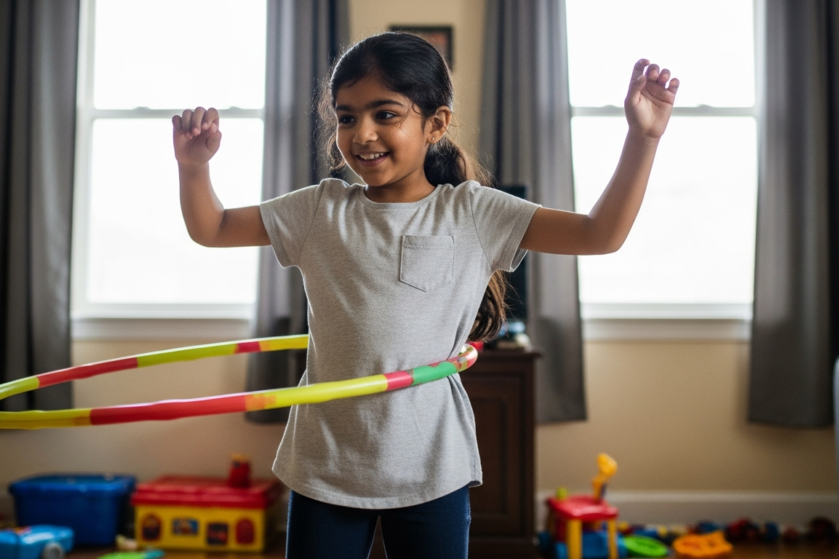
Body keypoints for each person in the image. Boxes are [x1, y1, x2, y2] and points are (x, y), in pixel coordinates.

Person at [172, 32, 678, 559]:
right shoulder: (320, 209)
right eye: (346, 117)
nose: (362, 133)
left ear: (436, 123)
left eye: (385, 114)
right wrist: (194, 168)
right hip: (326, 462)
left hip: (432, 464)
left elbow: (600, 235)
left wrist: (643, 139)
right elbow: (213, 228)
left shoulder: (474, 212)